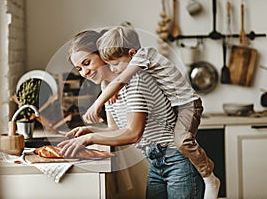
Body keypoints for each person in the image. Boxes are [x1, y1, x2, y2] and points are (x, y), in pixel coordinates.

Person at [57, 29, 204, 199]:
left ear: (102, 54)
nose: (84, 72)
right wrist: (90, 131)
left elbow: (133, 134)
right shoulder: (106, 88)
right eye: (79, 68)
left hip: (177, 161)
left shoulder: (136, 80)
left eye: (87, 62)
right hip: (156, 163)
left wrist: (89, 139)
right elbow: (116, 129)